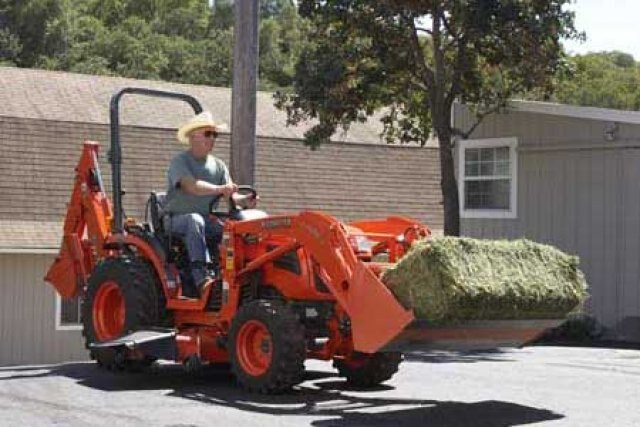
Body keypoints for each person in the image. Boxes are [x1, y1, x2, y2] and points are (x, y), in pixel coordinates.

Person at [164, 111, 256, 293]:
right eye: (208, 134)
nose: (213, 138)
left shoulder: (219, 165)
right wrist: (220, 189)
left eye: (215, 134)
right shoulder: (180, 162)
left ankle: (240, 274)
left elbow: (230, 195)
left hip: (207, 219)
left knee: (237, 226)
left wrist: (244, 200)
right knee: (194, 221)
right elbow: (191, 186)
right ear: (192, 136)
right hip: (177, 220)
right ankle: (202, 279)